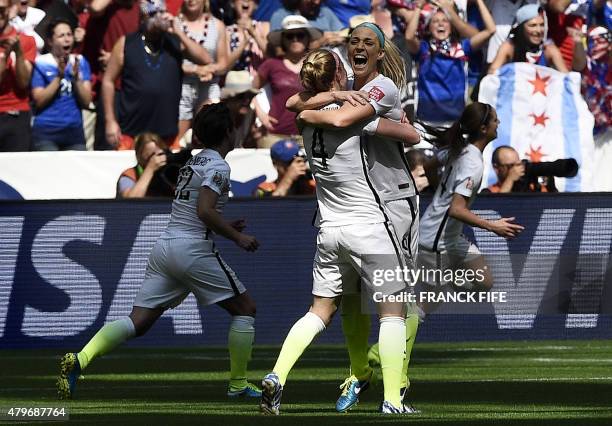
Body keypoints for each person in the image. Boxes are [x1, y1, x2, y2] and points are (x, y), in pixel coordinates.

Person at [57, 103, 262, 400]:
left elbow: (194, 209)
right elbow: (204, 210)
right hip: (192, 249)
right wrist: (236, 236)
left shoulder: (193, 163)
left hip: (166, 248)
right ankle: (238, 385)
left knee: (137, 321)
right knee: (246, 309)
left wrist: (224, 224)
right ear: (229, 132)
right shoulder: (218, 166)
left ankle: (80, 359)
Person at [265, 37, 421, 415]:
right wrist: (395, 122)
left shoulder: (303, 117)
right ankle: (391, 400)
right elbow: (408, 135)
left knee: (318, 312)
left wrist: (314, 103)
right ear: (339, 74)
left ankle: (277, 376)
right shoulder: (352, 112)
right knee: (393, 313)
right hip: (369, 224)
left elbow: (295, 104)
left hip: (329, 229)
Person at [418, 103, 524, 295]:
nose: (498, 122)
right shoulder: (472, 163)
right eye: (494, 119)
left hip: (451, 237)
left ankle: (446, 283)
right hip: (434, 241)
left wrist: (439, 194)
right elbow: (456, 210)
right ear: (483, 129)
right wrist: (493, 226)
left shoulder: (461, 150)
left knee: (485, 283)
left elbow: (428, 167)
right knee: (427, 305)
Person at [102, 0, 211, 150]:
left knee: (167, 173)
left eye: (163, 12)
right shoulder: (126, 43)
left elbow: (205, 59)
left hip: (167, 136)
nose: (161, 17)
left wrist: (179, 32)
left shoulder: (174, 42)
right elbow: (108, 80)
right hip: (132, 135)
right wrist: (110, 120)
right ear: (143, 18)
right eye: (154, 13)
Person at [405, 0, 496, 126]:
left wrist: (479, 1)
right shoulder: (424, 49)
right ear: (429, 28)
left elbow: (491, 30)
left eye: (445, 21)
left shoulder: (462, 48)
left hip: (455, 123)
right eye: (435, 21)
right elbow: (409, 37)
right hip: (426, 121)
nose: (440, 24)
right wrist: (419, 7)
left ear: (452, 26)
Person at [254, 15, 321, 147]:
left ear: (308, 38)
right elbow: (248, 91)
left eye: (300, 35)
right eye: (290, 36)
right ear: (283, 40)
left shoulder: (317, 65)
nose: (295, 40)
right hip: (274, 135)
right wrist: (261, 115)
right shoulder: (271, 65)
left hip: (309, 136)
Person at [31, 18, 92, 151]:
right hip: (46, 131)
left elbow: (87, 101)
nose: (67, 39)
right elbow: (39, 100)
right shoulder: (41, 63)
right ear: (50, 41)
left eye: (69, 34)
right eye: (61, 35)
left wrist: (76, 79)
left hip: (74, 131)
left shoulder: (80, 62)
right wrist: (59, 77)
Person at [177, 0, 229, 141]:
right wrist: (195, 70)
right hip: (182, 88)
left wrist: (208, 70)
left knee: (210, 137)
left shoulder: (216, 25)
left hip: (209, 87)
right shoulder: (175, 24)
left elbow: (223, 63)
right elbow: (169, 63)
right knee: (179, 140)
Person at [489, 5, 569, 74]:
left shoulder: (548, 49)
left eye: (541, 25)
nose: (538, 30)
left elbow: (566, 77)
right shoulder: (509, 47)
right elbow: (492, 75)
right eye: (532, 25)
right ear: (521, 29)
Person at [0, 0, 37, 152]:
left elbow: (23, 82)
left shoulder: (27, 40)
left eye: (1, 9)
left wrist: (19, 53)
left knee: (15, 171)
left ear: (10, 10)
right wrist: (6, 55)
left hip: (17, 114)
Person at [270, 0, 346, 49]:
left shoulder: (325, 12)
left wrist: (342, 38)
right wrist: (319, 42)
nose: (317, 2)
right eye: (311, 0)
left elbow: (342, 32)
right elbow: (279, 52)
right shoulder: (280, 16)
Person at [116, 132, 169, 197]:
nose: (156, 160)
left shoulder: (168, 171)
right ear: (139, 156)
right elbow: (131, 202)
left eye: (159, 155)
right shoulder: (129, 175)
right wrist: (150, 168)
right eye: (151, 156)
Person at [225, 0, 268, 74]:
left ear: (256, 5)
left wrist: (254, 34)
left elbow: (272, 56)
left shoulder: (264, 27)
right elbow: (225, 66)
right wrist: (244, 43)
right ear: (233, 4)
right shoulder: (226, 32)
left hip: (259, 83)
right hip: (235, 83)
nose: (246, 0)